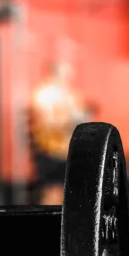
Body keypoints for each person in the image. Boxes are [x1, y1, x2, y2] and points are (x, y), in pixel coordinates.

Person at [29, 59, 84, 204]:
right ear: (54, 74)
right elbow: (45, 123)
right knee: (53, 190)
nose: (69, 79)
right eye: (66, 75)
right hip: (50, 150)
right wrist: (67, 120)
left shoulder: (71, 95)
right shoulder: (43, 94)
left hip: (68, 149)